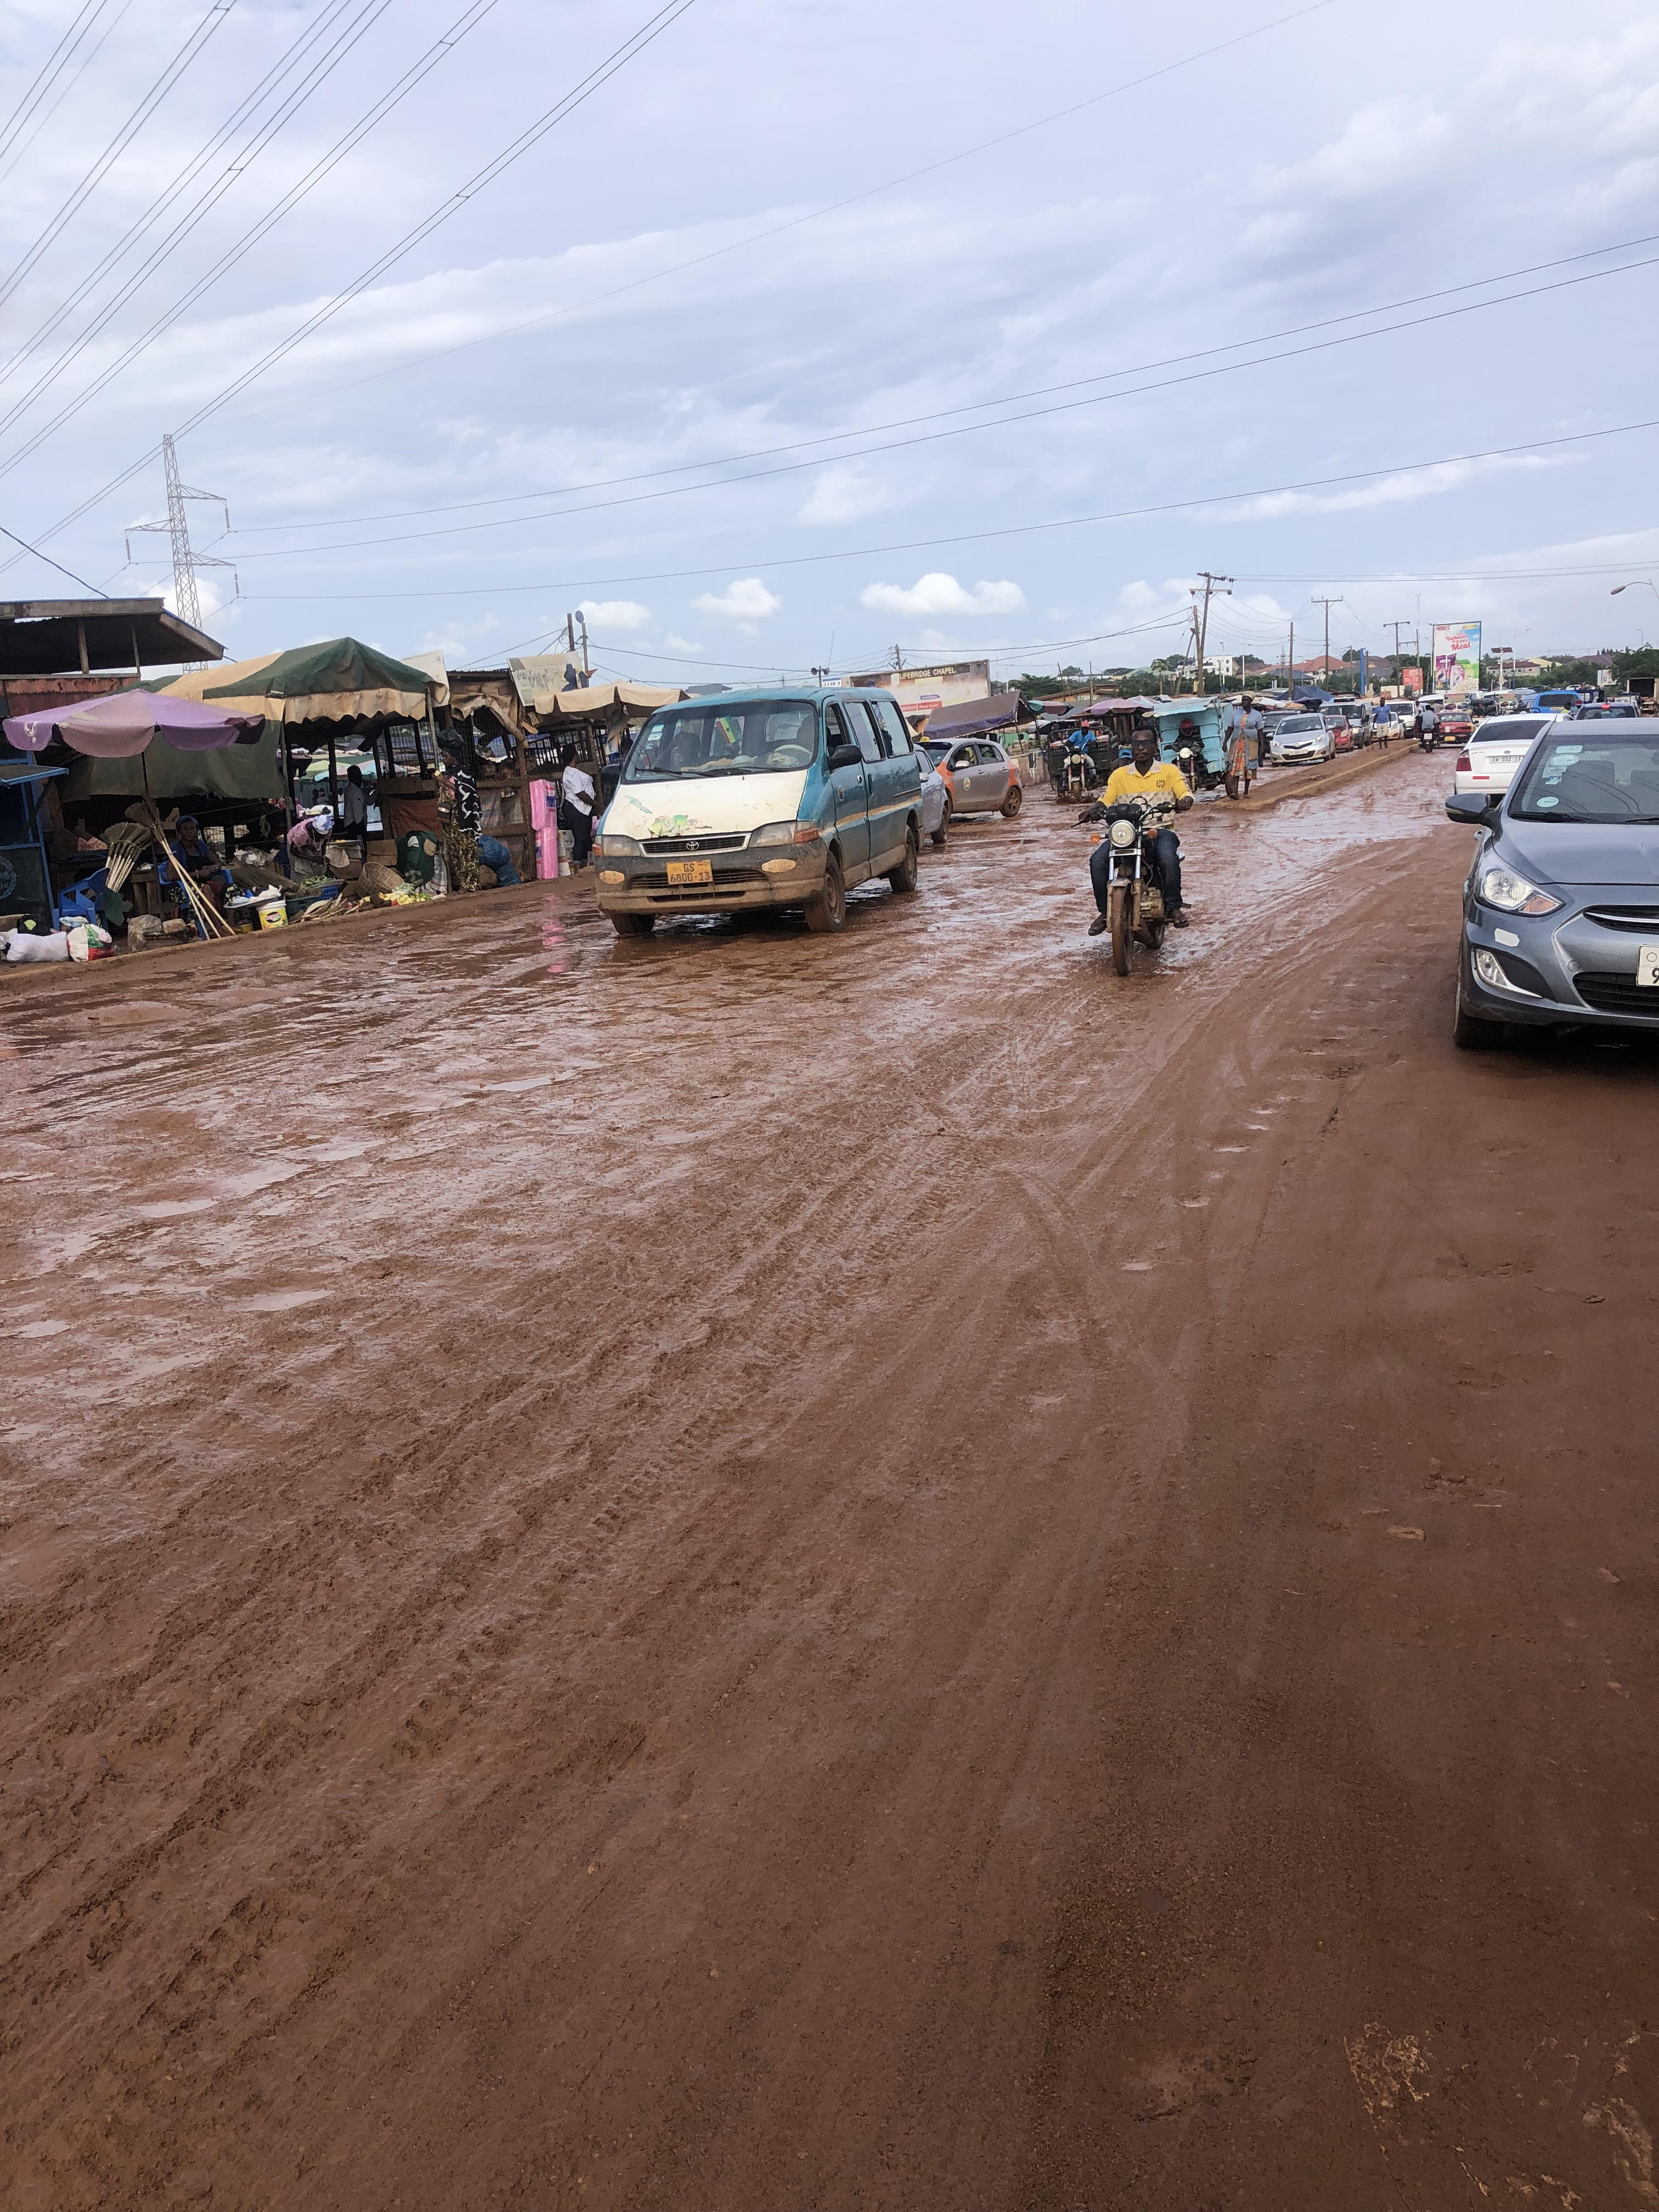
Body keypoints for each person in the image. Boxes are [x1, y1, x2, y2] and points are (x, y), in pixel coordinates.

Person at [1087, 729, 1194, 932]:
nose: (1141, 748)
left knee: (1167, 859)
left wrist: (1185, 801)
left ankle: (1173, 907)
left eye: (1146, 743)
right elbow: (1106, 799)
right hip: (1126, 833)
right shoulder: (1119, 775)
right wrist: (1092, 810)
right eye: (1136, 744)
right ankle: (1104, 912)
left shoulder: (1169, 771)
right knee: (1097, 861)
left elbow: (1184, 792)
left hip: (1160, 830)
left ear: (1155, 746)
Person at [559, 744, 595, 870]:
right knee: (580, 838)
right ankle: (578, 868)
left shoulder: (571, 772)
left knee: (584, 838)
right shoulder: (571, 773)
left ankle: (583, 865)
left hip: (581, 808)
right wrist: (596, 805)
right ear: (575, 756)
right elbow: (580, 793)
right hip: (577, 807)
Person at [340, 763, 369, 856]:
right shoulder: (355, 792)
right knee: (361, 852)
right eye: (359, 775)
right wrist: (362, 831)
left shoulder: (349, 789)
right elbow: (358, 815)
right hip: (356, 826)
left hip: (350, 826)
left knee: (353, 853)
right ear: (355, 777)